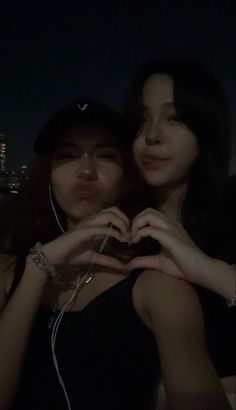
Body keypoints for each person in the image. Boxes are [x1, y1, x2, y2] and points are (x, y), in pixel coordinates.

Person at [0, 98, 231, 410]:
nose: (85, 170)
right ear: (48, 176)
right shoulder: (10, 274)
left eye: (106, 155)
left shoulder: (155, 287)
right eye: (67, 155)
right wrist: (36, 270)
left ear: (127, 174)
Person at [123, 58, 236, 406]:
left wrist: (205, 269)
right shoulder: (120, 225)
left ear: (205, 129)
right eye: (143, 119)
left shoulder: (232, 207)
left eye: (174, 118)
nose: (151, 135)